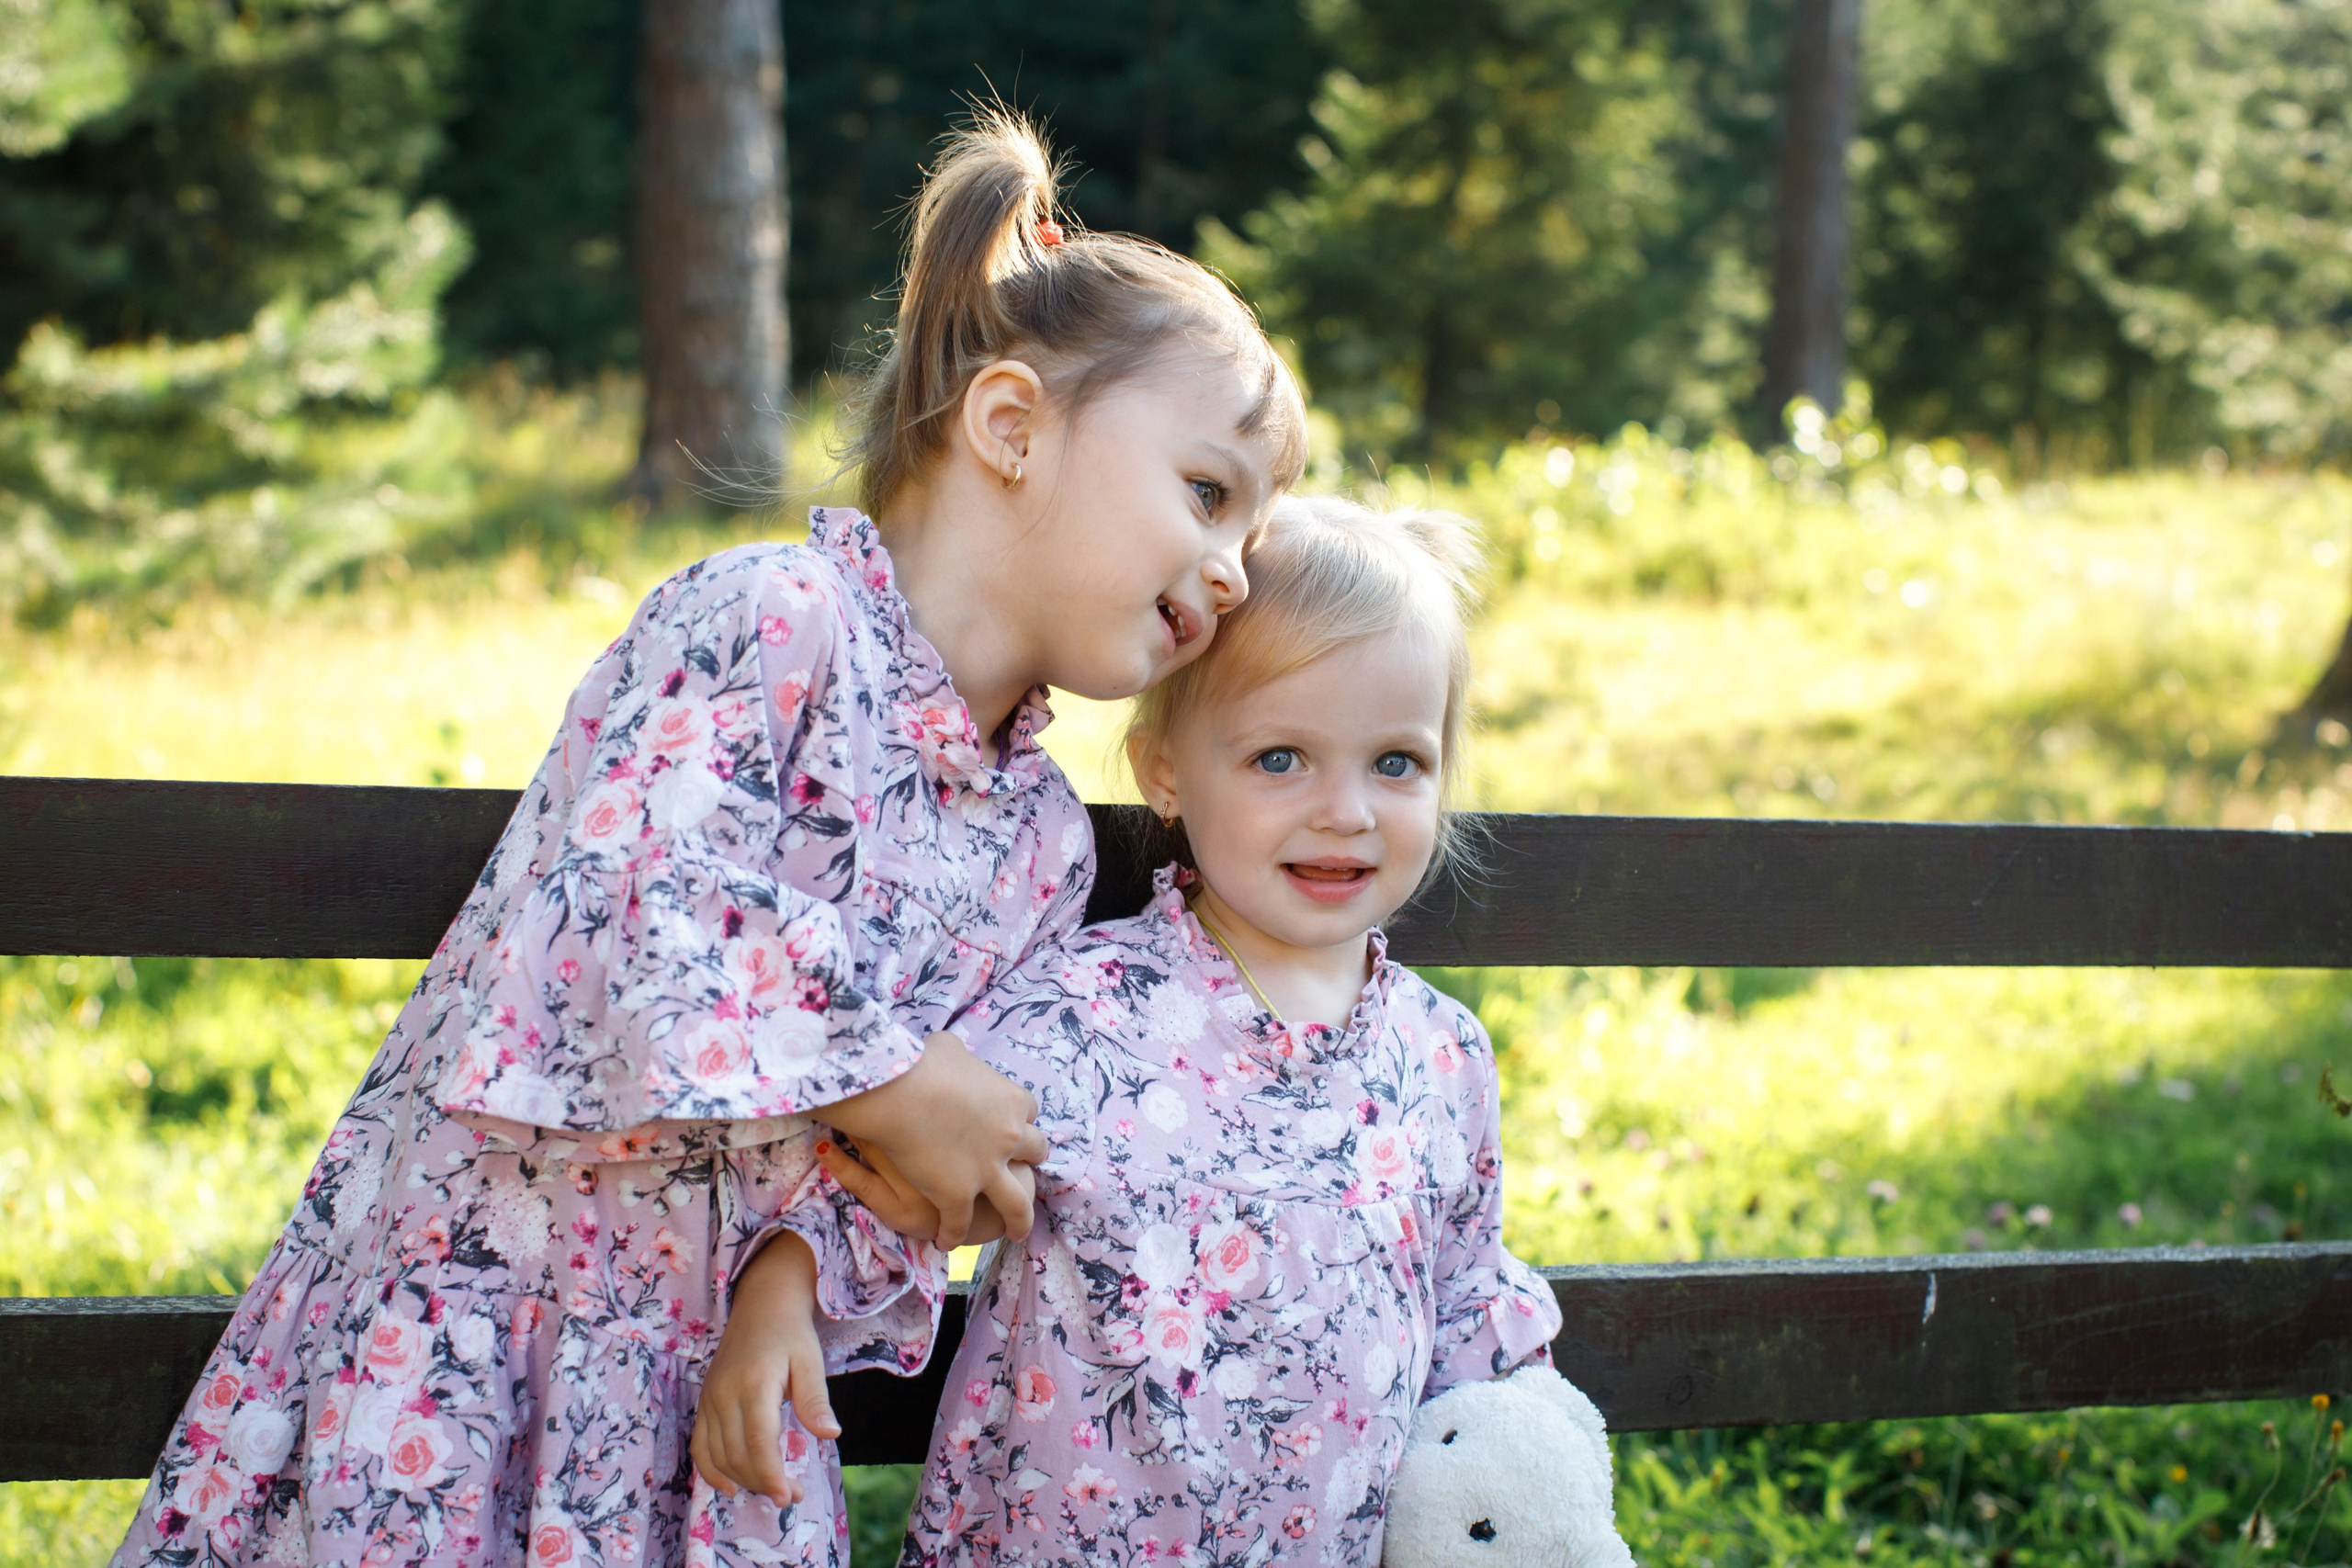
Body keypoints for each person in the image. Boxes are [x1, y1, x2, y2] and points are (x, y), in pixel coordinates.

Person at [108, 107, 1306, 1568]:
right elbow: (632, 913)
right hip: (488, 1339)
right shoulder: (767, 622)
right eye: (1209, 494)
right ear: (1009, 425)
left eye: (1255, 535)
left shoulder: (1036, 842)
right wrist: (893, 1073)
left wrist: (795, 1279)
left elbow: (919, 1178)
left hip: (716, 1411)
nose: (1233, 572)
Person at [828, 496, 1563, 1565]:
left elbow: (1466, 1311)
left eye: (1396, 763)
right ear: (1165, 772)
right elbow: (882, 1179)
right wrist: (782, 1296)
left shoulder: (1441, 1057)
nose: (1347, 810)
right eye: (1281, 758)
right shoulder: (1081, 1012)